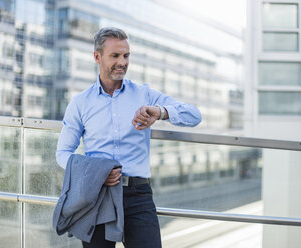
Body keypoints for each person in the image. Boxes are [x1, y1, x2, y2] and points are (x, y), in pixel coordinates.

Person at [56, 27, 202, 248]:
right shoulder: (80, 102)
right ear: (97, 57)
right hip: (98, 196)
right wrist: (95, 174)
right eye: (115, 55)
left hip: (138, 196)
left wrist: (160, 112)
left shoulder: (145, 94)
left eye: (126, 55)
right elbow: (62, 153)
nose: (122, 62)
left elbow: (194, 115)